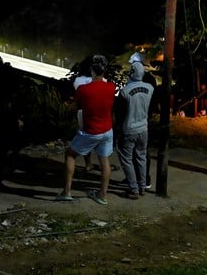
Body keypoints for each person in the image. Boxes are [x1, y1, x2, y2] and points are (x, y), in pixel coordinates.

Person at [55, 54, 116, 205]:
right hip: (107, 130)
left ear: (91, 70)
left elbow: (75, 105)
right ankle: (102, 195)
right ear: (105, 70)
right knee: (104, 160)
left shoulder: (83, 89)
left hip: (91, 130)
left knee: (70, 155)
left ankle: (67, 191)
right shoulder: (111, 87)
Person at [116, 61, 154, 199]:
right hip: (143, 128)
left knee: (126, 159)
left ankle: (133, 189)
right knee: (141, 157)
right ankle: (142, 186)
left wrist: (118, 129)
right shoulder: (149, 88)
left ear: (131, 73)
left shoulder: (124, 91)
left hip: (129, 129)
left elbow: (119, 113)